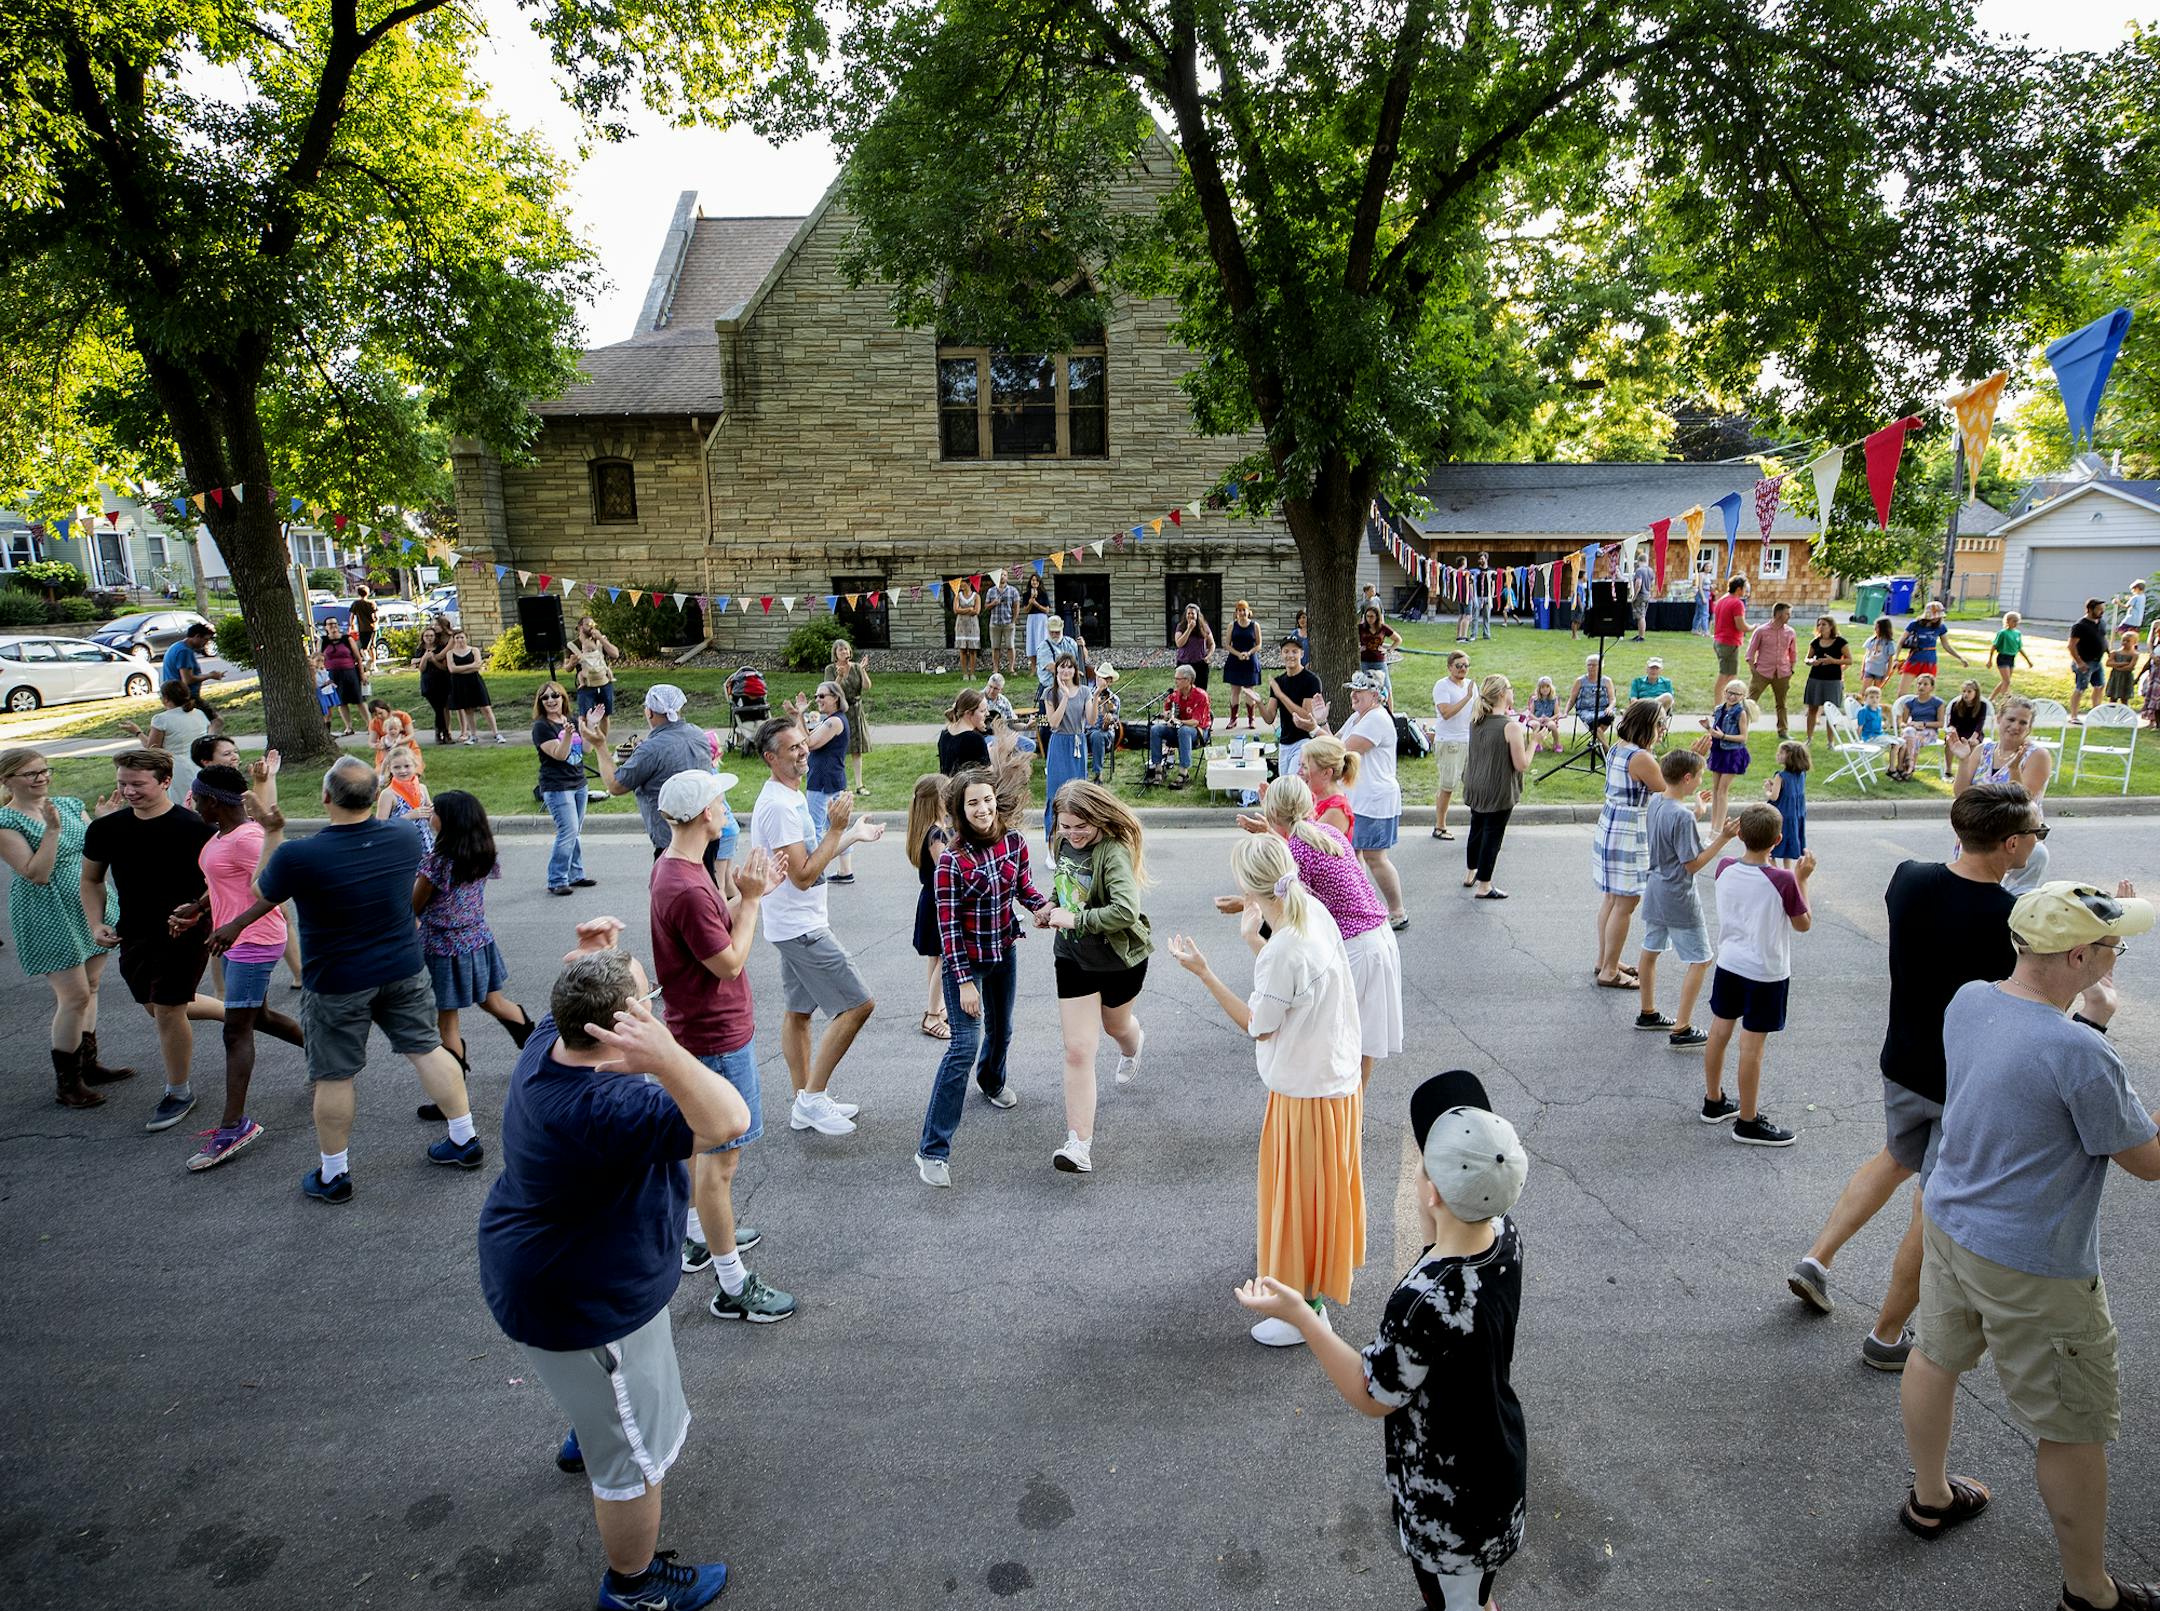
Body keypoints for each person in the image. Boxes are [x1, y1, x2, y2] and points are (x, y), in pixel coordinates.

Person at [1896, 883, 2158, 1611]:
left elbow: (2027, 1083)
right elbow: (2148, 1158)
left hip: (1951, 1220)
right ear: (2078, 955)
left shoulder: (1971, 999)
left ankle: (1930, 1497)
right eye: (2111, 947)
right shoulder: (2078, 1054)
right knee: (2072, 1427)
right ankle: (2089, 1591)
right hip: (2036, 1263)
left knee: (1934, 1355)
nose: (2115, 957)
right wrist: (2092, 1033)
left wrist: (2090, 1020)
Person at [476, 939, 750, 1611]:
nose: (652, 1000)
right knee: (633, 1463)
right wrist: (667, 1053)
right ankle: (634, 1586)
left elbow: (592, 990)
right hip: (585, 1300)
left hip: (543, 1270)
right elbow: (728, 1118)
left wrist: (597, 960)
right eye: (645, 998)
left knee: (603, 1401)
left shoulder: (551, 1042)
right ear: (624, 1023)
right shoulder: (610, 1109)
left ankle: (592, 1422)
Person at [1236, 1067, 1527, 1611]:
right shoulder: (1504, 1236)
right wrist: (1436, 1190)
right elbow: (1440, 1242)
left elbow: (1372, 1394)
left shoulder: (1421, 1301)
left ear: (1433, 1192)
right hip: (1496, 1465)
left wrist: (1303, 1315)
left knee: (1457, 1603)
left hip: (1450, 1512)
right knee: (1471, 1596)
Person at [1786, 785, 2040, 1370]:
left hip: (1903, 1058)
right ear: (2011, 843)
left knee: (1896, 1157)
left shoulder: (1909, 878)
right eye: (2036, 834)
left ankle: (1817, 1259)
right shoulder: (2011, 919)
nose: (2037, 841)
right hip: (1964, 1082)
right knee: (1932, 1203)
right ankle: (1886, 1334)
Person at [208, 755, 480, 1201]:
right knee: (427, 1049)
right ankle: (464, 1140)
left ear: (325, 797)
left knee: (334, 1076)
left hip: (336, 979)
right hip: (403, 968)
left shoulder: (300, 854)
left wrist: (274, 831)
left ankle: (334, 1175)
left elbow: (259, 889)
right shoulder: (403, 837)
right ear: (376, 797)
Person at [1169, 834, 1366, 1347]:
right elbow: (1296, 992)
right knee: (1320, 1199)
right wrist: (1254, 938)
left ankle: (1302, 1310)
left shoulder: (1282, 951)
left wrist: (1204, 972)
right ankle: (1311, 1296)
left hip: (1304, 1094)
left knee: (1295, 1200)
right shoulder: (1313, 912)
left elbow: (1258, 1023)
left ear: (1251, 889)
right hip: (1335, 1083)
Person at [648, 771, 795, 1324]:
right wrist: (752, 902)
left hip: (698, 1029)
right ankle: (731, 1284)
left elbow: (709, 933)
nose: (727, 807)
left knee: (701, 1148)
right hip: (714, 1035)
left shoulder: (676, 867)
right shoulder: (685, 884)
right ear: (705, 815)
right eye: (720, 800)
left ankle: (695, 1235)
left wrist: (749, 895)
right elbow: (728, 962)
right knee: (722, 1160)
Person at [747, 715, 881, 1137]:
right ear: (771, 758)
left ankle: (806, 1098)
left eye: (804, 743)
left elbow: (811, 857)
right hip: (801, 928)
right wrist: (837, 828)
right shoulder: (782, 807)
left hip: (792, 924)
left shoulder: (787, 796)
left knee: (799, 1013)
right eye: (793, 748)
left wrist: (850, 836)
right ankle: (811, 1099)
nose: (804, 750)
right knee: (858, 1004)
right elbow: (803, 875)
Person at [167, 764, 305, 1170]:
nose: (190, 802)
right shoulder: (220, 835)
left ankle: (234, 1126)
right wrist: (198, 907)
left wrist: (236, 924)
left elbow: (277, 887)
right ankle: (324, 1054)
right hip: (234, 938)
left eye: (195, 796)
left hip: (255, 940)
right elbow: (222, 884)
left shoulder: (248, 839)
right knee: (256, 1015)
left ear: (213, 800)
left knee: (236, 1029)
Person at [914, 765, 1046, 1186]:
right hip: (965, 961)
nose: (983, 808)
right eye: (973, 803)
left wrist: (1043, 908)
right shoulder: (951, 860)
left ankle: (991, 1082)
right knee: (963, 1046)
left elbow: (1024, 889)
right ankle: (932, 1150)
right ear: (959, 809)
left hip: (1003, 949)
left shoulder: (1014, 843)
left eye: (987, 799)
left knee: (1003, 1030)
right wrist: (965, 982)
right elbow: (948, 928)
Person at [79, 749, 223, 1134]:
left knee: (168, 1009)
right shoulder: (106, 829)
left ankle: (178, 1092)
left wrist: (197, 909)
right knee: (155, 1007)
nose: (128, 791)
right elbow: (91, 880)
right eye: (122, 783)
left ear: (164, 782)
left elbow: (222, 883)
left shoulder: (195, 829)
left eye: (137, 784)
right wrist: (96, 923)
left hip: (186, 930)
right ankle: (238, 1013)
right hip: (134, 932)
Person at [1237, 775, 1401, 1086]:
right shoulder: (1327, 832)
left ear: (1272, 815)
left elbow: (1282, 898)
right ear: (1310, 802)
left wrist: (1243, 904)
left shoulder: (1295, 855)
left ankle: (1347, 1116)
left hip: (1356, 948)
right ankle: (1355, 1116)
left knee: (1342, 1037)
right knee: (1362, 1038)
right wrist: (1271, 828)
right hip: (1379, 936)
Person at [1037, 780, 1152, 1173]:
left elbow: (1125, 910)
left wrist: (1077, 919)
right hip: (1072, 957)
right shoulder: (1064, 843)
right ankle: (1078, 1144)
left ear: (1099, 817)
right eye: (1065, 827)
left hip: (1119, 959)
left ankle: (1133, 1044)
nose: (1072, 834)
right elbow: (1069, 888)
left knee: (1116, 1025)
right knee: (1078, 1049)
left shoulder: (1113, 852)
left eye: (1080, 826)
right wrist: (1052, 906)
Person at [0, 747, 126, 1108]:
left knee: (92, 985)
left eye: (44, 770)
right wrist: (52, 831)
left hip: (88, 905)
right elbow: (36, 874)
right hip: (46, 912)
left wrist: (103, 822)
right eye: (30, 774)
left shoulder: (70, 804)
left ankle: (89, 1064)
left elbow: (95, 851)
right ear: (7, 780)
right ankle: (67, 1084)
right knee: (74, 996)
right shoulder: (6, 822)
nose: (41, 778)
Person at [1700, 803, 1813, 1147]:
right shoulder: (1783, 879)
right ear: (1777, 840)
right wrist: (1802, 880)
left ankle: (1714, 1099)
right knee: (1752, 1046)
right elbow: (1803, 924)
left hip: (1730, 962)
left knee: (1720, 1029)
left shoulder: (1724, 867)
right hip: (1765, 971)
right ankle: (1747, 1121)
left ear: (1740, 835)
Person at [416, 790, 535, 1077]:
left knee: (446, 1021)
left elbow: (414, 905)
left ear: (448, 821)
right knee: (493, 1001)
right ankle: (536, 1050)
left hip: (442, 946)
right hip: (478, 939)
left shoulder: (437, 863)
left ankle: (451, 1090)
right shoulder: (482, 853)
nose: (430, 815)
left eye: (434, 811)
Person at [1635, 748, 1734, 1049]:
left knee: (1650, 949)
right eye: (1700, 776)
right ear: (1688, 778)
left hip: (1655, 890)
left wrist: (1697, 812)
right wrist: (1723, 838)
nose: (1701, 781)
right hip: (1678, 895)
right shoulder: (1682, 817)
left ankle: (1648, 1012)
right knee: (1701, 959)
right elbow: (1692, 863)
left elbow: (1674, 827)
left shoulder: (1656, 801)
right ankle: (1682, 1027)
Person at [1591, 699, 1668, 988]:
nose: (1662, 728)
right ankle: (1609, 970)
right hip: (1629, 831)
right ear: (1647, 725)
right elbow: (1666, 789)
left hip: (1611, 824)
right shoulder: (1642, 758)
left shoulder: (1618, 748)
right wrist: (1693, 761)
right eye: (1660, 723)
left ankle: (1605, 959)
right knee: (1626, 902)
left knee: (1612, 899)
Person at [1952, 694, 2054, 892]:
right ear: (1999, 719)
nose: (2016, 726)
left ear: (2029, 727)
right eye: (2011, 719)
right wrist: (1963, 760)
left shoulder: (2037, 755)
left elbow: (2022, 802)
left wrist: (2015, 769)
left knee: (2005, 901)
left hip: (2015, 842)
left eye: (2023, 722)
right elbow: (1961, 794)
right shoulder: (1984, 750)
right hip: (1978, 836)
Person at [1338, 670, 1406, 930]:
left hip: (1375, 799)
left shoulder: (1376, 719)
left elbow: (1341, 750)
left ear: (1375, 696)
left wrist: (1313, 728)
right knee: (1354, 853)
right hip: (1358, 799)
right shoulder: (1358, 717)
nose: (1353, 695)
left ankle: (1398, 912)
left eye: (1359, 691)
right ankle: (1363, 906)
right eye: (1352, 690)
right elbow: (1334, 741)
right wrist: (1319, 724)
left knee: (1375, 857)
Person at [1457, 675, 1530, 901]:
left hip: (1476, 784)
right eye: (1510, 688)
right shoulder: (1510, 727)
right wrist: (1535, 741)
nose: (1513, 692)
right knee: (1493, 835)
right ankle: (1485, 885)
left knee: (1476, 828)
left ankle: (1471, 872)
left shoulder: (1476, 720)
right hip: (1498, 788)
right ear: (1501, 694)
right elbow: (1521, 764)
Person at [533, 682, 599, 896]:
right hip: (557, 786)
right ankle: (557, 879)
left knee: (575, 832)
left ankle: (576, 874)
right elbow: (560, 755)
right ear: (540, 703)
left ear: (563, 698)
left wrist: (592, 725)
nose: (551, 700)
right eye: (545, 698)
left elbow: (587, 750)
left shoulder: (570, 721)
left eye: (555, 695)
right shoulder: (541, 727)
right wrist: (569, 735)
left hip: (579, 783)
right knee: (568, 831)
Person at [794, 682, 855, 882]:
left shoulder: (834, 722)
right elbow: (805, 737)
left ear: (835, 697)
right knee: (835, 825)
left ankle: (815, 870)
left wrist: (800, 714)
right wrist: (799, 716)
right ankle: (845, 871)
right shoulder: (831, 720)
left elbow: (808, 743)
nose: (818, 699)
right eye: (817, 695)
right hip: (831, 778)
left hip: (823, 781)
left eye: (822, 696)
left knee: (815, 827)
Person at [906, 774, 951, 1041]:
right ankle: (932, 1015)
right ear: (937, 800)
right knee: (945, 958)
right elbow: (946, 871)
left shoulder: (927, 828)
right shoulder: (937, 834)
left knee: (936, 956)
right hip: (939, 901)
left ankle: (938, 1005)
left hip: (930, 899)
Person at [117, 680, 212, 801]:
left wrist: (137, 732)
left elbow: (152, 749)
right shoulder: (199, 714)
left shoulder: (162, 719)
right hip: (200, 764)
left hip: (177, 768)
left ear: (166, 698)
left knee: (181, 802)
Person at [1039, 653, 1094, 839]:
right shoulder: (1049, 693)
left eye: (1069, 667)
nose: (1065, 670)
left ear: (1075, 670)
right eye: (1062, 667)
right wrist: (1064, 696)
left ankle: (1078, 839)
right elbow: (1053, 723)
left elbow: (1091, 720)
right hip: (1059, 743)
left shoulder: (1085, 691)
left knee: (1078, 794)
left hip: (1078, 743)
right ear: (1056, 670)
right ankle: (1052, 841)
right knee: (1056, 793)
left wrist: (1098, 693)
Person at [1260, 637, 1322, 781]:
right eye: (1286, 651)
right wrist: (1257, 702)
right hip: (1284, 743)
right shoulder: (1278, 682)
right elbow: (1269, 718)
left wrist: (1281, 695)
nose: (1290, 655)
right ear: (1281, 654)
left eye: (1294, 651)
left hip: (1304, 741)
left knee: (1293, 785)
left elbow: (1306, 716)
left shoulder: (1311, 680)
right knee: (1284, 787)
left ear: (1301, 653)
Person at [1428, 650, 1474, 842]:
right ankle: (1440, 826)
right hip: (1449, 742)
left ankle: (1477, 825)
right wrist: (1467, 697)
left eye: (1465, 665)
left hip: (1469, 740)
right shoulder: (1442, 686)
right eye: (1458, 666)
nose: (1462, 669)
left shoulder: (1471, 685)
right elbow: (1446, 713)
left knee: (1474, 784)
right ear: (1449, 667)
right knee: (1448, 786)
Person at [1147, 664, 1213, 787]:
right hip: (1177, 730)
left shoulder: (1201, 696)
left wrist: (1179, 721)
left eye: (1178, 679)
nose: (1175, 681)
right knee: (1156, 729)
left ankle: (1184, 773)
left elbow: (1196, 722)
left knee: (1184, 731)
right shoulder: (1175, 695)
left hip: (1198, 732)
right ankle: (1158, 769)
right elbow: (1167, 710)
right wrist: (1167, 715)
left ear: (1188, 680)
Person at [1744, 600, 1798, 741]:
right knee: (1750, 702)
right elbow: (1750, 652)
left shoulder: (1790, 632)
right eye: (1787, 614)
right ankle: (1741, 729)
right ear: (1779, 614)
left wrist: (1791, 669)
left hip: (1783, 673)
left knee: (1782, 704)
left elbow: (1793, 653)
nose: (1789, 617)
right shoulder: (1761, 631)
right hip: (1762, 672)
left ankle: (1783, 731)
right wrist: (1754, 670)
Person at [1701, 678, 1751, 830]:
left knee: (1722, 791)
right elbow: (1717, 732)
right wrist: (1708, 728)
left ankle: (1717, 830)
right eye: (1730, 692)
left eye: (1737, 694)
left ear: (1743, 696)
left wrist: (1723, 736)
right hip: (1718, 751)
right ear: (1724, 692)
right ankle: (1714, 825)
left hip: (1732, 754)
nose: (1732, 696)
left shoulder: (1740, 713)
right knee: (1715, 790)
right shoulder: (1718, 709)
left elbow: (1743, 738)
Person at [1896, 599, 1968, 703]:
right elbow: (1900, 642)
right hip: (1914, 659)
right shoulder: (1915, 624)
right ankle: (1899, 713)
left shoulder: (1941, 627)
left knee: (1924, 693)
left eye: (1939, 616)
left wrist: (1960, 657)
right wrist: (1896, 658)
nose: (1937, 618)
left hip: (1930, 661)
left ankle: (1921, 714)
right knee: (1902, 693)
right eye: (1935, 615)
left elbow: (1946, 645)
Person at [445, 628, 503, 745]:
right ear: (454, 640)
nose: (460, 640)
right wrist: (470, 666)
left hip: (475, 682)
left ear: (466, 638)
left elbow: (477, 666)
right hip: (460, 684)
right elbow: (452, 669)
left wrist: (462, 669)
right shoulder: (450, 653)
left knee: (485, 707)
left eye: (462, 637)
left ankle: (496, 733)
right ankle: (473, 735)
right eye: (457, 638)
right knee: (468, 710)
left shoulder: (474, 650)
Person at [830, 639, 874, 794]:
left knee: (857, 749)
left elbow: (867, 687)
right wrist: (839, 677)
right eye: (841, 650)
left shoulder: (856, 667)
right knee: (840, 749)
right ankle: (841, 785)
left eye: (847, 650)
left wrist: (862, 669)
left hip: (856, 710)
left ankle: (859, 785)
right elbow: (830, 691)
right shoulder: (831, 669)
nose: (845, 652)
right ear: (835, 654)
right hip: (840, 712)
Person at [1800, 615, 1850, 745]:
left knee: (1831, 711)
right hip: (1815, 678)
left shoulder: (1840, 642)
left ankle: (1830, 741)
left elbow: (1849, 660)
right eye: (1819, 625)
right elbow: (1807, 658)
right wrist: (1811, 661)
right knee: (1812, 709)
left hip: (1833, 680)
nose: (1820, 627)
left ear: (1831, 626)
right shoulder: (1815, 642)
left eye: (1824, 624)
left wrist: (1833, 661)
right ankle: (1809, 738)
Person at [375, 743, 433, 852]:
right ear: (390, 769)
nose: (402, 771)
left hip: (424, 842)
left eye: (407, 766)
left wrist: (434, 811)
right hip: (401, 844)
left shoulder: (422, 789)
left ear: (415, 766)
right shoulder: (388, 794)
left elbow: (430, 814)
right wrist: (408, 816)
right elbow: (381, 826)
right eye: (397, 767)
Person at [570, 616, 622, 737]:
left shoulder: (600, 640)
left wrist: (601, 639)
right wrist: (572, 663)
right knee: (585, 716)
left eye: (593, 624)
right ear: (580, 627)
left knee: (605, 715)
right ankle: (586, 742)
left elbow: (615, 654)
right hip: (586, 686)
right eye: (588, 624)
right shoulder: (573, 645)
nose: (591, 627)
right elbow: (567, 667)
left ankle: (602, 740)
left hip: (604, 684)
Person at [160, 620, 223, 717]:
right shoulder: (184, 651)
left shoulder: (177, 646)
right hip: (184, 696)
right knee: (215, 721)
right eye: (205, 640)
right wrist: (210, 675)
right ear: (197, 636)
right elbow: (187, 679)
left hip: (175, 696)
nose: (205, 643)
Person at [1298, 734, 1357, 838]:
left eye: (1305, 767)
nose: (1299, 772)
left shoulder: (1336, 811)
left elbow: (1304, 848)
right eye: (1300, 765)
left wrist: (1270, 830)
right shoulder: (1312, 796)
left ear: (1326, 773)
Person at [1891, 672, 1946, 781]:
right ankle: (1910, 767)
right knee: (1910, 732)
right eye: (1919, 683)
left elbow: (1940, 724)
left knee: (1911, 737)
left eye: (1925, 684)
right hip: (1912, 731)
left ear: (1932, 687)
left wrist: (1924, 724)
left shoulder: (1938, 703)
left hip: (1929, 732)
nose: (1921, 686)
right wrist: (1911, 724)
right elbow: (1903, 723)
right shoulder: (1910, 702)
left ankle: (1901, 768)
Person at [1763, 740, 1809, 868]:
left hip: (1781, 815)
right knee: (1787, 847)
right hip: (1796, 815)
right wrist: (1775, 786)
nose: (1778, 755)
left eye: (1782, 753)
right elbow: (1791, 791)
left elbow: (1774, 796)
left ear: (1790, 757)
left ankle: (1776, 873)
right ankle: (1787, 872)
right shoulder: (1802, 774)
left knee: (1771, 849)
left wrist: (1768, 789)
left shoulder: (1780, 776)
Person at [318, 620, 365, 737]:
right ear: (325, 627)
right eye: (330, 624)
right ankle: (348, 727)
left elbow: (358, 657)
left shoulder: (347, 639)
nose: (333, 626)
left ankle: (369, 724)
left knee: (359, 699)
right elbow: (318, 657)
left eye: (335, 623)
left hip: (350, 672)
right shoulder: (323, 641)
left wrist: (362, 674)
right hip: (332, 674)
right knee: (341, 701)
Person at [1222, 600, 1264, 727]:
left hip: (1250, 661)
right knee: (1235, 691)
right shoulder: (1232, 625)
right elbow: (1227, 645)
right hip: (1235, 661)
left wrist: (1249, 653)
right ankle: (1233, 719)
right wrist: (1238, 654)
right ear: (1236, 612)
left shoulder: (1255, 625)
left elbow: (1259, 644)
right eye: (1239, 610)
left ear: (1248, 611)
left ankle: (1251, 718)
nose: (1241, 612)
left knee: (1249, 691)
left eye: (1243, 610)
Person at [1940, 680, 1991, 780]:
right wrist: (1951, 731)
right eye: (1964, 691)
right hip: (1959, 731)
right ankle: (1948, 770)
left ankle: (1970, 770)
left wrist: (1973, 738)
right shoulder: (1956, 704)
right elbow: (1952, 723)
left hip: (1974, 733)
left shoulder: (1982, 705)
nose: (1965, 694)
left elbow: (1979, 724)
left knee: (1974, 744)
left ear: (1976, 692)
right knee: (1949, 739)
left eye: (1969, 691)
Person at [415, 621, 454, 745]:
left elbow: (443, 667)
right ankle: (443, 733)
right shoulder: (420, 650)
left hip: (442, 681)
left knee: (441, 708)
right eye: (426, 636)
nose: (429, 638)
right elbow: (421, 669)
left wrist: (433, 659)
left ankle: (442, 734)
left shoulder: (440, 648)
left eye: (431, 636)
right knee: (438, 709)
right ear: (423, 637)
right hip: (428, 683)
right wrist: (425, 659)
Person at [1085, 662, 1122, 781]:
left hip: (1104, 733)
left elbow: (1115, 718)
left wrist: (1110, 720)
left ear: (1109, 681)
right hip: (1086, 730)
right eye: (1099, 677)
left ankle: (1098, 773)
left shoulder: (1113, 699)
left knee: (1098, 736)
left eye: (1104, 678)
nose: (1100, 680)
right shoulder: (1087, 694)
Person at [1568, 653, 1616, 743]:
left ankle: (1595, 741)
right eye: (1589, 665)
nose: (1591, 667)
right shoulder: (1580, 681)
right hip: (1585, 710)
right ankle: (1606, 749)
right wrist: (1565, 712)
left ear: (1601, 666)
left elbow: (1612, 699)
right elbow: (1572, 699)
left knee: (1609, 717)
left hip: (1603, 709)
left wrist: (1610, 708)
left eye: (1594, 665)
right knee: (1593, 722)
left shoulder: (1607, 681)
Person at [1356, 604, 1401, 698]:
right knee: (1366, 687)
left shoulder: (1383, 628)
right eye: (1367, 616)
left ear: (1377, 617)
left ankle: (1390, 712)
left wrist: (1389, 650)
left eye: (1372, 616)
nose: (1369, 619)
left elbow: (1398, 639)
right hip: (1364, 661)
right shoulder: (1361, 627)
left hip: (1379, 660)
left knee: (1386, 686)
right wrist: (1358, 649)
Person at [1711, 576, 1750, 682]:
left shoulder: (1722, 600)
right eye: (1745, 589)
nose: (1746, 592)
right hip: (1729, 643)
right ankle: (1721, 699)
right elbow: (1740, 626)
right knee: (1728, 676)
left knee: (1727, 674)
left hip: (1718, 641)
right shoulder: (1737, 603)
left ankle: (1724, 698)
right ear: (1739, 589)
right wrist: (1752, 628)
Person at [1988, 611, 2033, 703]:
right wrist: (1990, 660)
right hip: (2003, 658)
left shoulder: (2017, 633)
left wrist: (2028, 661)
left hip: (2011, 658)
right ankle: (2005, 700)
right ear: (2008, 621)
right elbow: (1994, 646)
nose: (2016, 623)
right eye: (2014, 621)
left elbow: (2019, 648)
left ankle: (1991, 698)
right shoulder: (2003, 633)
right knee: (2007, 681)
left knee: (2005, 681)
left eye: (2017, 621)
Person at [1172, 601, 1215, 692]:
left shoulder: (1204, 627)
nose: (1190, 615)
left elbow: (1212, 644)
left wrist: (1208, 656)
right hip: (1184, 664)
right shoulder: (1181, 627)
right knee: (1184, 690)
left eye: (1193, 613)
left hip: (1200, 664)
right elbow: (1179, 643)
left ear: (1197, 615)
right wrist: (1189, 629)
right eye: (1188, 613)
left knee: (1200, 691)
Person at [984, 574, 1021, 676]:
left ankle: (1011, 668)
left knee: (1010, 646)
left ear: (1007, 577)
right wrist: (993, 603)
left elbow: (1016, 607)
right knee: (995, 647)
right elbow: (986, 607)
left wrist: (1013, 620)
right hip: (995, 623)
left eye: (1004, 575)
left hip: (1008, 622)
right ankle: (995, 669)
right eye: (1000, 575)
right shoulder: (991, 591)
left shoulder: (1013, 590)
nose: (1002, 577)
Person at [1020, 574, 1052, 672]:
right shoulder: (1026, 594)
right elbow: (1025, 610)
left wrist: (1036, 604)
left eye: (1036, 581)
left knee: (1041, 640)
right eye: (1032, 580)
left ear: (1039, 583)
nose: (1034, 582)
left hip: (1041, 619)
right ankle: (1033, 668)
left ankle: (1042, 667)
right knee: (1032, 642)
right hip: (1032, 619)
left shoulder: (1043, 594)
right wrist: (1030, 602)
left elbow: (1047, 610)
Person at [1860, 616, 1898, 696]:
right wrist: (1863, 669)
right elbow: (1866, 655)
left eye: (1877, 627)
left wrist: (1887, 674)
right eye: (1875, 627)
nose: (1875, 629)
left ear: (1884, 629)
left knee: (1875, 693)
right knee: (1864, 691)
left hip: (1880, 672)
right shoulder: (1871, 640)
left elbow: (1890, 661)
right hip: (1869, 669)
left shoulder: (1889, 644)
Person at [952, 577, 981, 677]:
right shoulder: (957, 596)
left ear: (969, 583)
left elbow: (976, 611)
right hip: (961, 626)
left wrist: (962, 610)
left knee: (973, 650)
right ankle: (965, 673)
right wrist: (969, 609)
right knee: (963, 650)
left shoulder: (976, 596)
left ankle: (972, 673)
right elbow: (956, 610)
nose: (960, 584)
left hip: (973, 626)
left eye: (962, 582)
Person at [1524, 676, 1561, 753]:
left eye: (1547, 687)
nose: (1545, 689)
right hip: (1535, 719)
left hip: (1548, 719)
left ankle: (1557, 744)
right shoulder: (1535, 699)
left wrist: (1549, 719)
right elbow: (1530, 713)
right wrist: (1537, 719)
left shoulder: (1554, 700)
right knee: (1536, 724)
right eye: (1542, 687)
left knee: (1552, 725)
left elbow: (1557, 714)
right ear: (1539, 689)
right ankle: (1536, 744)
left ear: (1551, 688)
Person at [2104, 625, 2140, 705]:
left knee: (2124, 698)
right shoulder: (2115, 652)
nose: (2125, 643)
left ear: (2134, 642)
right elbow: (2108, 663)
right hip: (2115, 677)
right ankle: (2111, 713)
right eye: (2123, 640)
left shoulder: (2134, 654)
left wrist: (2116, 667)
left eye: (2128, 641)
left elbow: (2130, 667)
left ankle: (2124, 714)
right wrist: (2122, 664)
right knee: (2113, 698)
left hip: (2126, 677)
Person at [348, 584, 376, 663]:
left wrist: (352, 625)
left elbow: (352, 616)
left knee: (363, 647)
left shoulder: (356, 604)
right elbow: (375, 616)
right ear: (368, 593)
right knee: (372, 646)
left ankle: (368, 660)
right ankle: (373, 664)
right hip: (373, 628)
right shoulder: (372, 603)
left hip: (362, 628)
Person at [1631, 550, 1656, 640]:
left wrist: (1634, 596)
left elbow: (1638, 583)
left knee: (1640, 616)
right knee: (1642, 614)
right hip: (1647, 595)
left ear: (1638, 561)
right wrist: (1650, 592)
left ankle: (1641, 636)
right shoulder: (1650, 570)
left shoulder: (1639, 570)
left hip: (1640, 595)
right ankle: (1640, 634)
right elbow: (1653, 583)